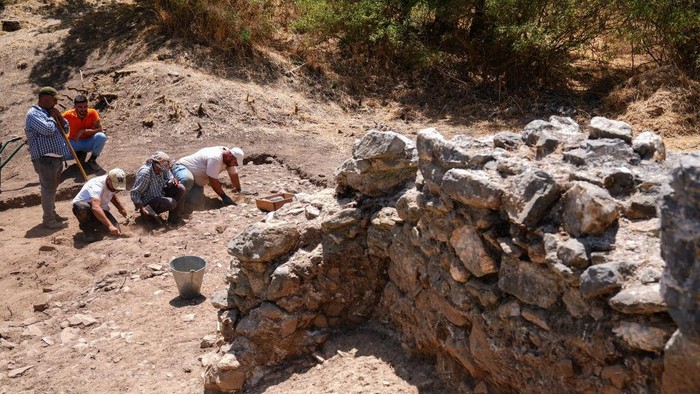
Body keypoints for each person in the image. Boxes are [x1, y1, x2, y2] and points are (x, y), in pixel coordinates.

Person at [24, 86, 71, 229]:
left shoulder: (49, 113)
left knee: (52, 188)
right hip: (45, 159)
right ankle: (49, 219)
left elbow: (66, 129)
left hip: (56, 158)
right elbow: (48, 130)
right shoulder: (34, 114)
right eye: (54, 99)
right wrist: (52, 117)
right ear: (45, 98)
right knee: (48, 189)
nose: (56, 103)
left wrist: (60, 117)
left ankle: (52, 213)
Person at [172, 146, 243, 207]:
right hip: (182, 168)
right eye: (235, 163)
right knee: (187, 180)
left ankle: (185, 198)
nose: (235, 165)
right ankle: (175, 203)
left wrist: (239, 190)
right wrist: (224, 197)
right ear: (230, 156)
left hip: (196, 183)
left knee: (195, 203)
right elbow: (213, 181)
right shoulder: (215, 158)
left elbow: (234, 175)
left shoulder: (228, 159)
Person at [72, 168, 128, 242]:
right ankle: (87, 230)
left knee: (116, 230)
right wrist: (110, 226)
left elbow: (112, 194)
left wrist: (120, 208)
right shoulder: (96, 186)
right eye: (114, 186)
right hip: (85, 208)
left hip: (100, 210)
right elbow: (95, 207)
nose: (115, 189)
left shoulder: (111, 184)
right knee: (82, 208)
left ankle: (95, 226)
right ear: (108, 179)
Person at [131, 151, 186, 225]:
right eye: (161, 167)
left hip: (160, 194)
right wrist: (142, 208)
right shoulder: (145, 173)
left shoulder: (163, 169)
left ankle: (173, 219)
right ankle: (147, 217)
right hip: (148, 202)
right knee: (171, 202)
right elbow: (135, 193)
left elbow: (169, 177)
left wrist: (172, 181)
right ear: (155, 163)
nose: (162, 170)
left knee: (180, 188)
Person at [62, 95, 107, 169]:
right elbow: (57, 122)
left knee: (101, 136)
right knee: (60, 154)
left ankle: (92, 160)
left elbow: (99, 130)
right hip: (74, 142)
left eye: (85, 106)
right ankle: (79, 154)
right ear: (75, 107)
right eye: (80, 107)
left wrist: (82, 131)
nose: (83, 109)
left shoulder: (92, 112)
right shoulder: (68, 114)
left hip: (88, 141)